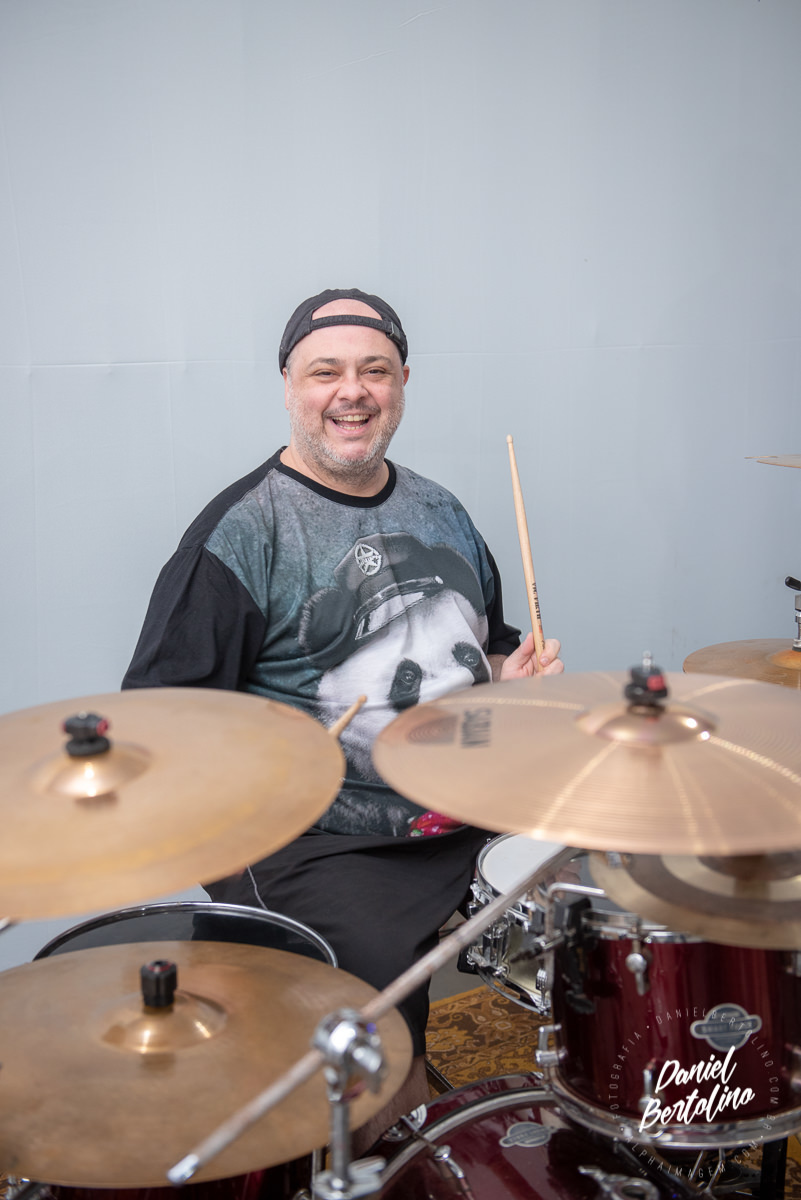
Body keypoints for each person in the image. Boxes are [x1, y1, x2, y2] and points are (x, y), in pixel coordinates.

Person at [122, 287, 563, 1148]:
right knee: (374, 1038)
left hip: (467, 807)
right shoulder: (240, 534)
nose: (351, 391)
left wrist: (513, 674)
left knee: (624, 896)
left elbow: (490, 647)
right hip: (320, 842)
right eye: (325, 371)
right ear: (289, 385)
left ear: (402, 384)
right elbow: (161, 720)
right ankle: (388, 1160)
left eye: (374, 371)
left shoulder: (441, 509)